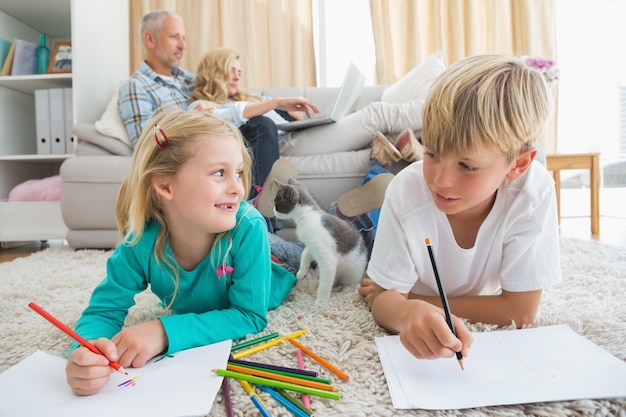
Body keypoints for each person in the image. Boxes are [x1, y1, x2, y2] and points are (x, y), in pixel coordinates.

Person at [65, 109, 301, 396]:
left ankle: (339, 219)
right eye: (219, 173)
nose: (238, 188)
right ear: (165, 186)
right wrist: (86, 350)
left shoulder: (248, 226)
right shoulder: (140, 241)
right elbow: (103, 310)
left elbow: (249, 316)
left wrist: (164, 331)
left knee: (312, 249)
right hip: (241, 235)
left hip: (278, 259)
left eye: (238, 173)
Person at [359, 54, 561, 362]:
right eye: (431, 153)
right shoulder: (409, 189)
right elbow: (382, 301)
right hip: (394, 213)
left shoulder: (533, 193)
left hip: (415, 268)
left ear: (519, 164)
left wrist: (413, 299)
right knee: (357, 235)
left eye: (467, 166)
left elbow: (519, 311)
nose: (440, 181)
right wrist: (403, 309)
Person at [189, 47, 318, 195]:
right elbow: (233, 115)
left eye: (239, 72)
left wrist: (291, 114)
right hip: (275, 141)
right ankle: (262, 198)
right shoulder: (201, 106)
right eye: (231, 70)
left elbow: (289, 117)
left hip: (291, 133)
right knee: (262, 123)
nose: (237, 77)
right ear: (214, 71)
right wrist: (278, 103)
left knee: (347, 123)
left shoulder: (250, 99)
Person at [118, 10, 195, 147]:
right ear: (150, 39)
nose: (183, 46)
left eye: (183, 38)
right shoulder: (136, 86)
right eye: (174, 37)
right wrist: (195, 118)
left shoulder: (188, 78)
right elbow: (147, 147)